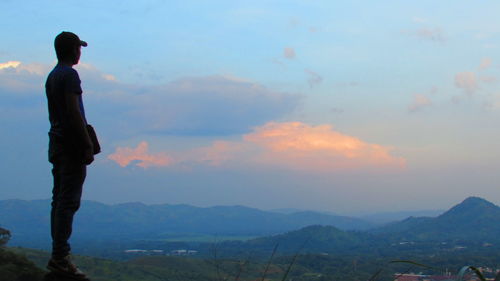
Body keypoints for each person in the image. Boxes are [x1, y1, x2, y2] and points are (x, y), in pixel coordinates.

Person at [45, 31, 94, 280]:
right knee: (68, 202)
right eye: (79, 48)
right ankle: (61, 259)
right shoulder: (69, 75)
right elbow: (74, 112)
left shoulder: (53, 76)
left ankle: (58, 256)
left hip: (57, 145)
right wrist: (86, 144)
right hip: (70, 146)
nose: (80, 52)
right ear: (73, 50)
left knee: (59, 201)